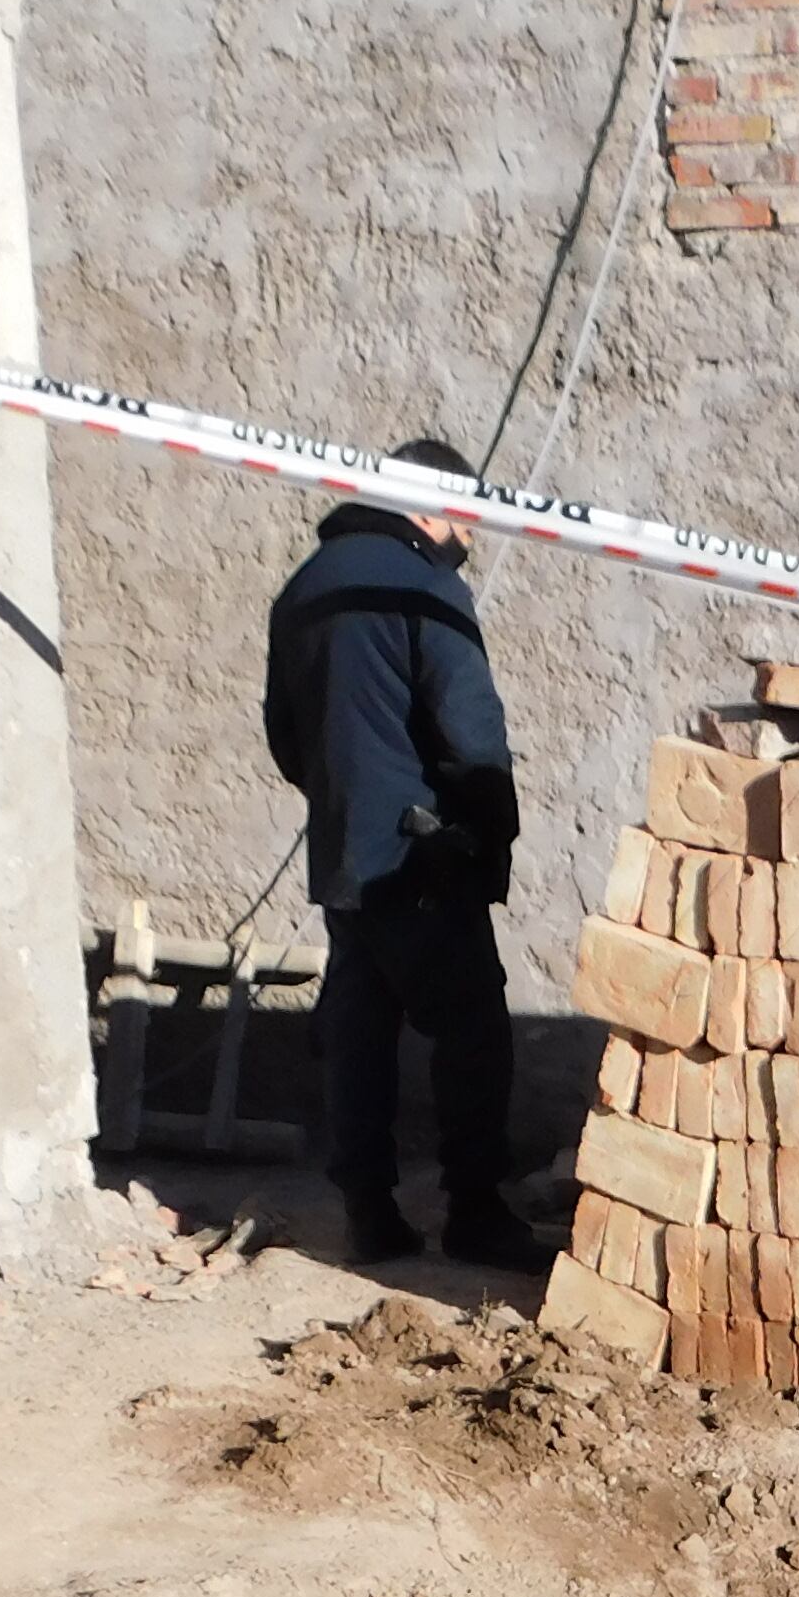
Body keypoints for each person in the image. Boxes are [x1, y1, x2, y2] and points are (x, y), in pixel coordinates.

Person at [262, 440, 541, 1269]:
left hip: (345, 855)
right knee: (472, 1031)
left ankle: (369, 1216)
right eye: (467, 522)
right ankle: (476, 1212)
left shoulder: (302, 590)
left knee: (359, 1033)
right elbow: (471, 733)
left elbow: (285, 736)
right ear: (433, 508)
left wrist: (342, 800)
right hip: (423, 860)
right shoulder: (423, 587)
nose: (470, 541)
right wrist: (492, 830)